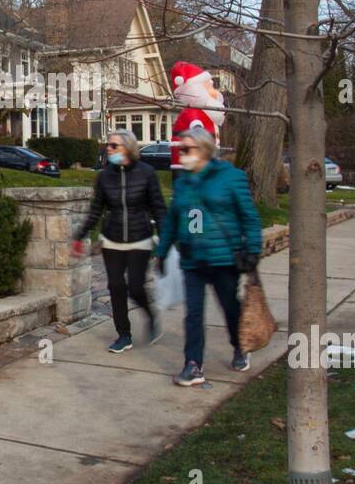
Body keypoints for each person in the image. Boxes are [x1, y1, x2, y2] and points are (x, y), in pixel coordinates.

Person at [155, 126, 262, 386]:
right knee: (193, 314)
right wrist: (162, 251)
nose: (181, 154)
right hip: (192, 259)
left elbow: (249, 216)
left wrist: (253, 250)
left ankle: (240, 346)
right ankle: (193, 364)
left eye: (186, 149)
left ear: (204, 150)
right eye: (181, 149)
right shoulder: (182, 182)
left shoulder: (231, 177)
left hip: (224, 259)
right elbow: (172, 220)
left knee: (230, 308)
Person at [72, 130, 167, 352]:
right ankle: (124, 334)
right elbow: (96, 210)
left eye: (114, 146)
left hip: (139, 238)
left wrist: (165, 240)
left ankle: (151, 316)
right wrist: (79, 236)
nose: (109, 149)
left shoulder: (147, 173)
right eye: (108, 145)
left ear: (128, 148)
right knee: (115, 286)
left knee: (135, 287)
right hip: (112, 239)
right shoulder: (104, 176)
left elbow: (159, 208)